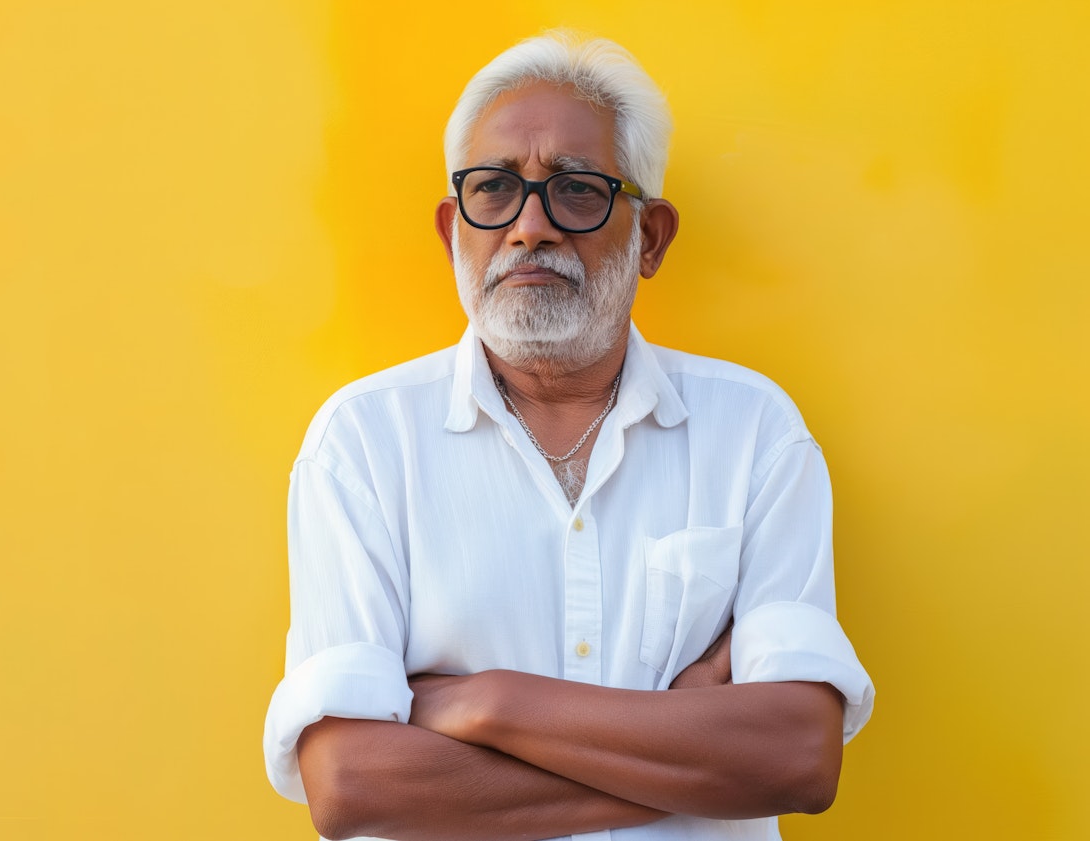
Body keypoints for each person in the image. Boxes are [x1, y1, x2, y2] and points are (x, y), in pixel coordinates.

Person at [263, 30, 874, 841]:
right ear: (454, 231)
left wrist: (489, 702)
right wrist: (686, 745)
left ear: (650, 237)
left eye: (577, 190)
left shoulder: (754, 431)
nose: (529, 228)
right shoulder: (366, 443)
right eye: (494, 190)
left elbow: (796, 755)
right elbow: (351, 783)